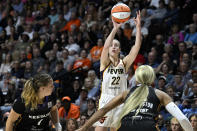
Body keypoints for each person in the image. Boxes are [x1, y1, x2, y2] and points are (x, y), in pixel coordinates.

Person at [76, 65, 193, 131]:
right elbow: (182, 119)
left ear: (136, 79)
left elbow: (102, 110)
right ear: (152, 80)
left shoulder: (125, 93)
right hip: (148, 127)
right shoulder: (160, 94)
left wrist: (84, 127)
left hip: (126, 127)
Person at [94, 10, 142, 131]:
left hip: (120, 100)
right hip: (106, 99)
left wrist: (138, 27)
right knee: (100, 129)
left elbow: (136, 48)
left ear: (119, 50)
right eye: (112, 45)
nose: (113, 47)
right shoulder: (104, 62)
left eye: (116, 45)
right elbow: (105, 47)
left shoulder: (124, 63)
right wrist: (115, 29)